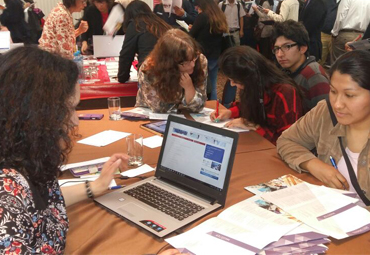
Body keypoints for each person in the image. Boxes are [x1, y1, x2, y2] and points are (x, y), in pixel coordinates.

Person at [0, 46, 184, 255]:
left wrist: (94, 187)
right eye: (69, 109)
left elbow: (44, 201)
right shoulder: (6, 194)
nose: (74, 120)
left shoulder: (22, 163)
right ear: (35, 115)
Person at [277, 50, 370, 207]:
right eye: (333, 91)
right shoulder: (326, 113)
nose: (337, 104)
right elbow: (287, 140)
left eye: (350, 95)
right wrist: (313, 164)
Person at [210, 46, 303, 145]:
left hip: (275, 152)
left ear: (250, 77)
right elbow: (248, 106)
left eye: (236, 80)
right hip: (257, 143)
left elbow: (289, 141)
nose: (232, 84)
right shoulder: (254, 86)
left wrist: (256, 128)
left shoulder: (284, 93)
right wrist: (230, 112)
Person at [136, 29, 207, 113]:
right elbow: (159, 107)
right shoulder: (149, 69)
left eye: (194, 58)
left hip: (186, 116)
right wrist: (176, 82)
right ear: (169, 63)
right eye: (185, 63)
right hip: (151, 115)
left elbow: (199, 105)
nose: (192, 65)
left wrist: (189, 88)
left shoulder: (200, 60)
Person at [272, 20, 330, 112]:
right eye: (276, 48)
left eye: (287, 47)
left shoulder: (313, 75)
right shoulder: (288, 70)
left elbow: (325, 116)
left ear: (303, 48)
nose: (279, 54)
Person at [117, 0, 171, 83]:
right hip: (170, 71)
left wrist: (122, 77)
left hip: (150, 72)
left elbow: (126, 54)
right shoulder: (160, 23)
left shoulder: (135, 24)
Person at [189, 0, 228, 100]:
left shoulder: (202, 16)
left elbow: (191, 35)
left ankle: (203, 106)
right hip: (216, 54)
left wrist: (190, 29)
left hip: (203, 54)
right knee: (213, 84)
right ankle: (213, 107)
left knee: (201, 85)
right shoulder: (219, 16)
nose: (197, 8)